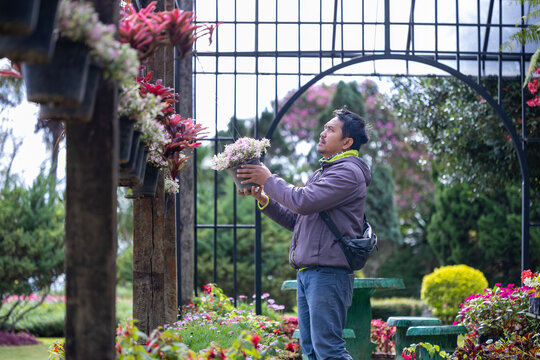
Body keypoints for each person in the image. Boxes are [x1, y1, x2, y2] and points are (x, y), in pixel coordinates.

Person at [236, 107, 371, 360]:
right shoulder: (324, 172)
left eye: (331, 129)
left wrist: (269, 179)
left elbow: (302, 201)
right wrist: (264, 199)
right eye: (324, 127)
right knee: (310, 352)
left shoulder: (348, 172)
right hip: (310, 273)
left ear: (347, 142)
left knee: (329, 351)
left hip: (328, 274)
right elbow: (298, 220)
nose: (323, 133)